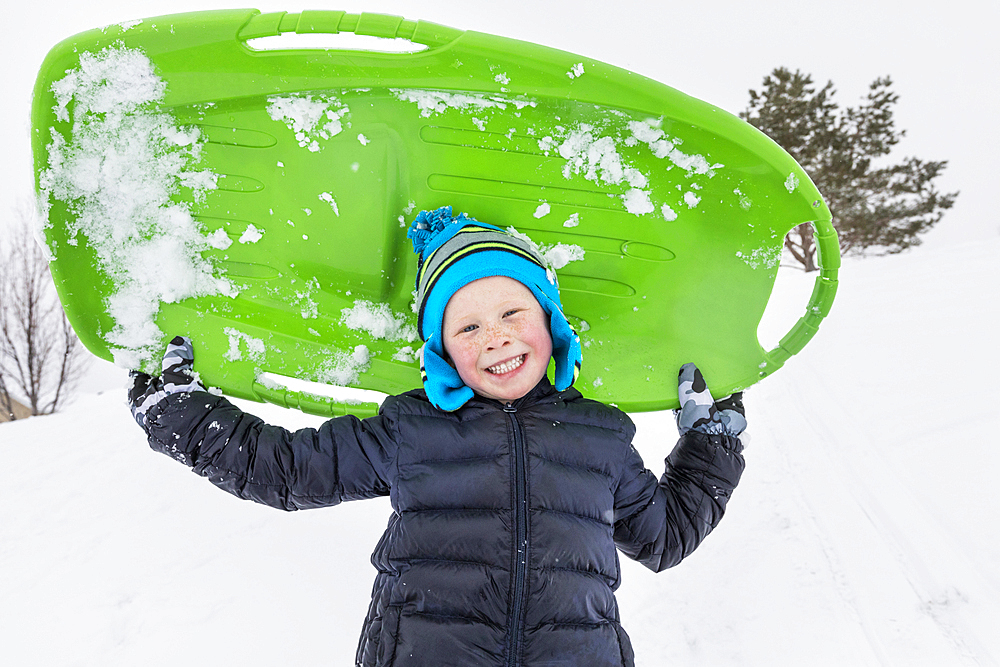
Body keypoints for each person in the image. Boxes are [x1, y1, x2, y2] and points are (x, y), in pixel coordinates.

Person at [128, 206, 746, 667]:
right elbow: (289, 470)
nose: (495, 337)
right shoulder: (413, 429)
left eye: (512, 314)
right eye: (468, 326)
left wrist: (710, 443)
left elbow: (662, 537)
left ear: (550, 324)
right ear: (444, 352)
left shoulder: (600, 438)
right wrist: (182, 416)